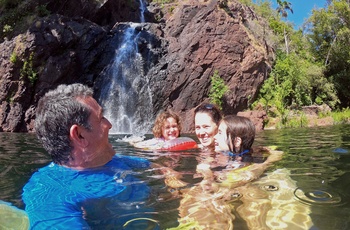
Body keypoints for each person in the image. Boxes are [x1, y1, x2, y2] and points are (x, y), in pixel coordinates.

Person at [22, 83, 185, 229]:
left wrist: (183, 192)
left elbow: (158, 168)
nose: (109, 124)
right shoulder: (48, 193)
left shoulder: (116, 160)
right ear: (79, 135)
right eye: (101, 118)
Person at [132, 111, 197, 151]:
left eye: (174, 126)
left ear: (178, 127)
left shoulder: (183, 141)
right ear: (161, 130)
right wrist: (154, 148)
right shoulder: (157, 142)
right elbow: (138, 145)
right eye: (167, 127)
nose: (172, 130)